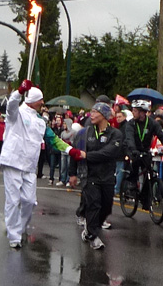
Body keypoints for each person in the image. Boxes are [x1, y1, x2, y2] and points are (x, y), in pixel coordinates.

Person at [0, 80, 82, 249]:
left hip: (30, 166)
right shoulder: (17, 113)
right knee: (13, 201)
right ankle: (14, 236)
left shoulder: (40, 121)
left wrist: (70, 150)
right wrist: (20, 91)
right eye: (40, 100)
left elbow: (53, 139)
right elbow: (11, 106)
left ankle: (19, 228)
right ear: (32, 100)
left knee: (29, 201)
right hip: (13, 162)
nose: (43, 103)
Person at [69, 102, 123, 250]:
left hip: (107, 176)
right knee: (94, 205)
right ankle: (93, 236)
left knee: (106, 208)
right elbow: (75, 153)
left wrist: (88, 155)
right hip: (90, 176)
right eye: (91, 111)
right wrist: (72, 173)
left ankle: (90, 230)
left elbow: (109, 153)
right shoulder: (84, 133)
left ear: (104, 115)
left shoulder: (116, 134)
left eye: (95, 112)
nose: (91, 115)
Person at [125, 99, 163, 210]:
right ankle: (132, 182)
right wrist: (133, 149)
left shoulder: (152, 123)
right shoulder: (131, 124)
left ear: (142, 112)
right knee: (135, 161)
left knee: (149, 171)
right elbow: (129, 138)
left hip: (145, 150)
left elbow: (162, 136)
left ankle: (145, 197)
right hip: (133, 149)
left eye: (135, 111)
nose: (133, 113)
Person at [57, 119, 76, 187]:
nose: (64, 125)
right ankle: (62, 180)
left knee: (69, 166)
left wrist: (69, 142)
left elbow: (74, 142)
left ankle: (68, 180)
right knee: (63, 167)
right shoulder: (62, 133)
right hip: (63, 151)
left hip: (70, 151)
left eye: (65, 124)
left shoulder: (73, 133)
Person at [114, 110, 128, 197]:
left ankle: (117, 189)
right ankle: (119, 189)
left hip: (122, 153)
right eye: (117, 117)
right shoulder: (120, 127)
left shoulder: (125, 127)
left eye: (120, 117)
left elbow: (124, 140)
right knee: (118, 171)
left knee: (120, 172)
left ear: (124, 117)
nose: (118, 119)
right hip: (118, 153)